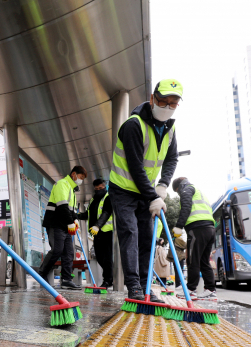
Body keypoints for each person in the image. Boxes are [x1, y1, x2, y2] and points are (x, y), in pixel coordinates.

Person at [108, 79, 181, 302]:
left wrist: (162, 185)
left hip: (145, 191)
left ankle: (144, 286)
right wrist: (153, 196)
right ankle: (134, 288)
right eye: (163, 101)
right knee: (130, 233)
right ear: (152, 98)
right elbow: (135, 166)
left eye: (173, 104)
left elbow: (172, 158)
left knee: (148, 238)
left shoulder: (170, 127)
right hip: (123, 189)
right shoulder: (133, 125)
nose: (167, 107)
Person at [38, 166, 88, 289]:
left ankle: (66, 279)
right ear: (74, 174)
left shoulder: (71, 189)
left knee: (69, 253)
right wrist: (70, 222)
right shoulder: (62, 184)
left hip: (65, 225)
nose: (80, 180)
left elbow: (72, 210)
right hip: (55, 223)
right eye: (80, 177)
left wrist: (75, 220)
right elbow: (62, 206)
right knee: (57, 250)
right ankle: (41, 274)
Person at [172, 177, 217, 301]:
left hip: (198, 229)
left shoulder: (186, 190)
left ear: (178, 187)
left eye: (177, 192)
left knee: (192, 260)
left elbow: (186, 208)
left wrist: (178, 227)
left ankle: (191, 290)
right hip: (209, 229)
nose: (178, 194)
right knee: (203, 261)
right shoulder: (198, 191)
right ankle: (210, 291)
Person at [78, 179, 114, 288]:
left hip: (107, 231)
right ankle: (111, 276)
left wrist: (97, 225)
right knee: (98, 257)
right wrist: (76, 216)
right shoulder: (93, 200)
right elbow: (88, 214)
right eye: (96, 189)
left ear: (105, 187)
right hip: (96, 233)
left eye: (101, 188)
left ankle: (108, 280)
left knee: (107, 257)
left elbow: (107, 212)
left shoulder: (108, 197)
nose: (99, 190)